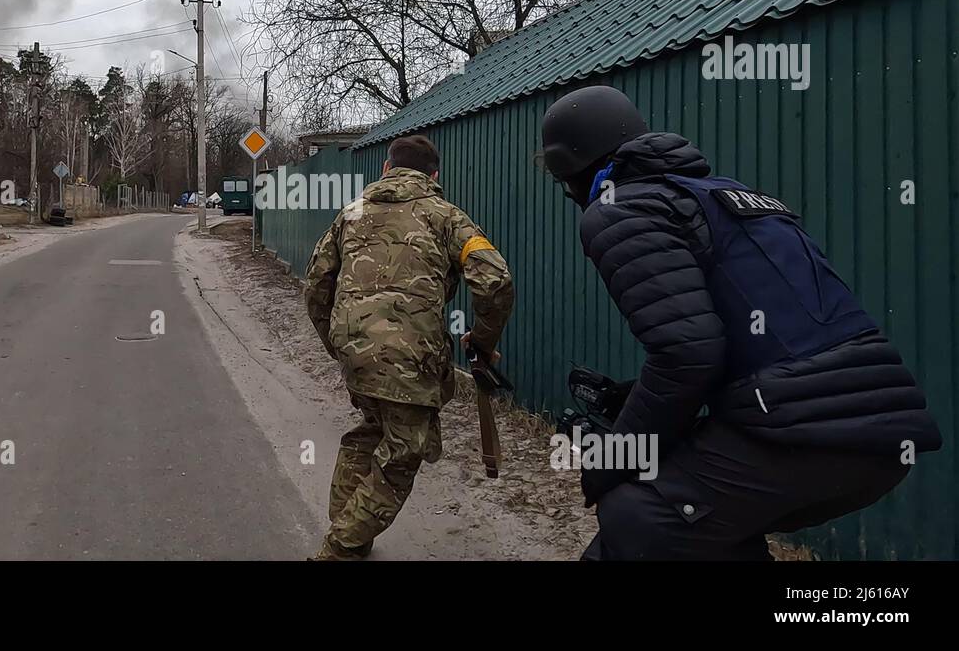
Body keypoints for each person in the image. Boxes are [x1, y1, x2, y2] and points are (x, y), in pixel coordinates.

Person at [539, 85, 942, 560]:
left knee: (636, 511)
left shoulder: (618, 208)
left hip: (803, 432)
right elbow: (775, 333)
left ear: (573, 168)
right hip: (881, 435)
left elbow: (687, 354)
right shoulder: (732, 195)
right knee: (710, 525)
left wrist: (613, 459)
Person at [304, 134, 515, 560]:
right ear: (434, 175)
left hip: (354, 351)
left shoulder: (351, 213)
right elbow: (495, 280)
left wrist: (339, 344)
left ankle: (353, 532)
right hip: (410, 356)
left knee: (371, 430)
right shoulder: (446, 216)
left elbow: (316, 285)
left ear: (386, 169)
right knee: (404, 452)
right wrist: (483, 340)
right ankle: (340, 547)